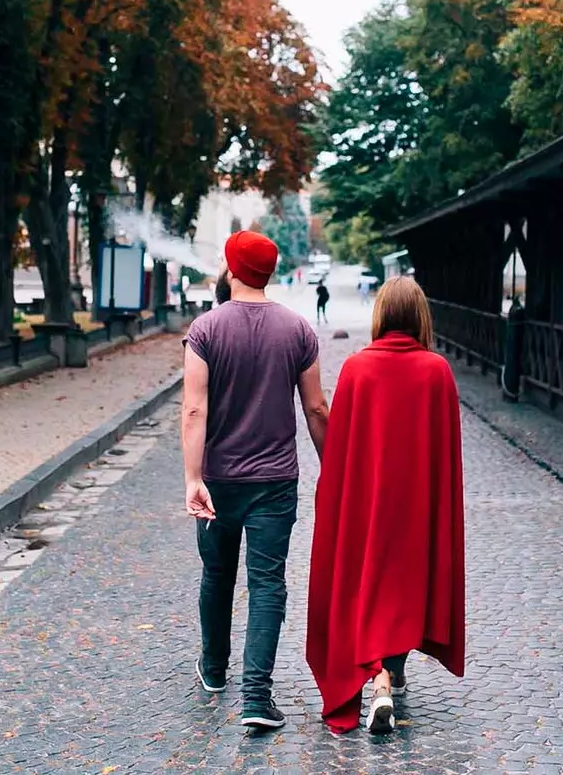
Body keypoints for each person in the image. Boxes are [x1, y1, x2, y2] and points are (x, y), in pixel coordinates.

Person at [181, 230, 330, 730]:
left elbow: (194, 409)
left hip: (218, 480)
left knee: (216, 574)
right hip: (274, 482)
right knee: (267, 584)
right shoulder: (297, 330)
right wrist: (332, 470)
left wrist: (192, 478)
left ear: (231, 270)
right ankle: (256, 697)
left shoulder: (205, 329)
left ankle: (214, 669)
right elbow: (315, 408)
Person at [306, 276, 466, 734]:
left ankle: (381, 679)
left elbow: (342, 449)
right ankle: (386, 679)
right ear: (421, 317)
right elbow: (445, 457)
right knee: (402, 589)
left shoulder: (357, 369)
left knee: (370, 584)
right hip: (417, 508)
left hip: (369, 503)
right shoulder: (437, 371)